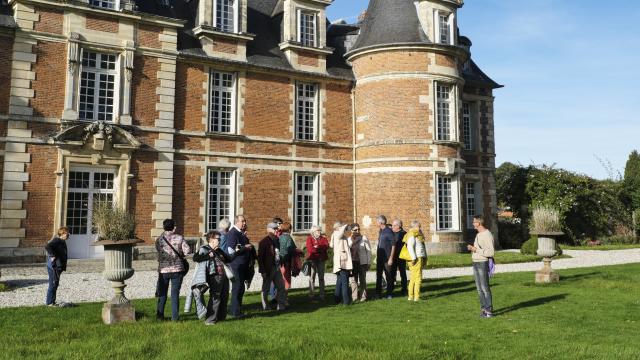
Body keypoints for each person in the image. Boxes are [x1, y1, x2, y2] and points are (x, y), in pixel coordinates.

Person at [191, 230, 233, 325]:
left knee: (224, 296)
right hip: (214, 276)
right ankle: (210, 320)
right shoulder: (204, 249)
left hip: (224, 276)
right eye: (218, 239)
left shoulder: (219, 250)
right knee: (216, 297)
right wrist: (208, 256)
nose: (220, 240)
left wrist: (238, 251)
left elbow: (229, 259)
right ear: (211, 240)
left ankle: (221, 317)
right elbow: (196, 258)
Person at [155, 219, 192, 321]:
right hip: (177, 269)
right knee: (175, 294)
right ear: (173, 227)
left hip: (163, 270)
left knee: (162, 293)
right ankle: (175, 318)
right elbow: (187, 251)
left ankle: (159, 316)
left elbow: (158, 250)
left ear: (164, 227)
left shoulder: (159, 239)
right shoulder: (180, 238)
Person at [225, 215, 254, 319]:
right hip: (236, 265)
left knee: (240, 288)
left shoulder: (240, 233)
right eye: (242, 221)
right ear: (236, 222)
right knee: (237, 288)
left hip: (242, 265)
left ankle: (237, 309)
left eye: (245, 221)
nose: (244, 223)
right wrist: (244, 247)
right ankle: (235, 312)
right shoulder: (232, 233)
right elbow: (231, 251)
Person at [467, 215, 495, 318]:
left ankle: (489, 310)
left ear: (478, 223)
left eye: (474, 222)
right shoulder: (478, 235)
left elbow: (491, 252)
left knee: (485, 287)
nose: (473, 224)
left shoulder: (487, 234)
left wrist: (475, 250)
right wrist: (473, 249)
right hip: (475, 262)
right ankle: (483, 309)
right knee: (479, 288)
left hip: (483, 263)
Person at [258, 222, 286, 311]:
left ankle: (281, 305)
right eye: (274, 229)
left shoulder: (277, 240)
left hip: (277, 267)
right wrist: (262, 271)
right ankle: (265, 306)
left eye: (277, 229)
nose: (276, 231)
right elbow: (260, 258)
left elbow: (278, 253)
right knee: (265, 289)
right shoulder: (264, 242)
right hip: (268, 269)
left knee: (281, 287)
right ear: (268, 229)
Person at [44, 227, 69, 306]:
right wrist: (52, 255)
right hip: (53, 267)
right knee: (53, 283)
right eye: (67, 233)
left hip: (58, 267)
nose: (68, 235)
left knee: (55, 284)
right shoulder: (57, 240)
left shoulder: (62, 241)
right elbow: (47, 246)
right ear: (62, 234)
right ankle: (49, 302)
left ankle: (52, 301)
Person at [403, 221, 427, 301]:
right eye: (418, 226)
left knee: (413, 278)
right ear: (413, 227)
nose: (419, 228)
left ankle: (411, 296)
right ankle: (416, 297)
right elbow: (410, 247)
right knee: (418, 278)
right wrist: (414, 258)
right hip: (416, 258)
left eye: (420, 226)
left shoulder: (415, 234)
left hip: (416, 258)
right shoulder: (412, 235)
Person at [330, 224, 353, 305]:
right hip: (342, 262)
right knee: (345, 282)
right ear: (337, 228)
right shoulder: (337, 234)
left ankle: (337, 300)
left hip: (342, 261)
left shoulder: (340, 235)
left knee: (339, 282)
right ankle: (346, 301)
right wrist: (346, 225)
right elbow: (341, 232)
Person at [348, 223, 371, 302]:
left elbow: (368, 251)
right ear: (351, 231)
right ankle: (354, 297)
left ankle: (363, 297)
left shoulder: (364, 238)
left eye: (358, 229)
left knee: (362, 280)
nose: (357, 231)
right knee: (353, 280)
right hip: (353, 263)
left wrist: (368, 262)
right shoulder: (348, 240)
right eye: (355, 230)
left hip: (362, 262)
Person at [305, 225, 329, 300]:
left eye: (319, 230)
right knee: (312, 277)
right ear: (313, 232)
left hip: (321, 260)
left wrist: (317, 247)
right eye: (317, 231)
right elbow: (310, 249)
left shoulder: (323, 238)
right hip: (313, 260)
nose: (319, 232)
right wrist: (319, 248)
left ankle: (322, 295)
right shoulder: (309, 239)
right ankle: (311, 294)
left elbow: (326, 246)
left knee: (321, 277)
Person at [375, 215, 395, 299]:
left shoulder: (388, 231)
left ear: (381, 222)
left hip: (387, 258)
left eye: (377, 222)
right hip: (380, 258)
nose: (376, 223)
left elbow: (394, 245)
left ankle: (389, 294)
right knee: (378, 276)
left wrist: (391, 258)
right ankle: (378, 294)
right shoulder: (381, 231)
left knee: (388, 276)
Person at [278, 222, 297, 305]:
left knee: (280, 281)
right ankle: (284, 300)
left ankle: (278, 298)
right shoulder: (289, 238)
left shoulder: (279, 237)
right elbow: (291, 250)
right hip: (286, 262)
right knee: (286, 282)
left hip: (279, 261)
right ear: (289, 229)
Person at [391, 219, 408, 295]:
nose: (392, 227)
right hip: (393, 257)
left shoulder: (404, 234)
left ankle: (404, 289)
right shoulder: (391, 233)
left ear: (399, 226)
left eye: (394, 225)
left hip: (401, 257)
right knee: (392, 273)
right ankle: (391, 288)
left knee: (403, 273)